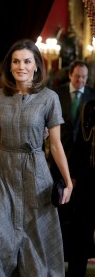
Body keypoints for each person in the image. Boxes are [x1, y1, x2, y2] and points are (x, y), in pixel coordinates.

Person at [0, 39, 73, 276]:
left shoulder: (50, 98)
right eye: (16, 61)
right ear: (9, 66)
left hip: (37, 174)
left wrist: (68, 182)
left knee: (37, 242)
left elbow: (56, 145)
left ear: (37, 65)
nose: (21, 66)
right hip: (5, 174)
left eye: (27, 61)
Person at [50, 60, 95, 265]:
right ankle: (57, 258)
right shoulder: (56, 94)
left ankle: (78, 261)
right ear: (70, 75)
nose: (80, 80)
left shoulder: (92, 96)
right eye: (77, 76)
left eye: (84, 78)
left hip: (85, 166)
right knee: (58, 213)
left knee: (81, 218)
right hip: (60, 160)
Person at [66, 99, 95, 277]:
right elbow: (78, 142)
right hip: (87, 179)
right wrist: (73, 176)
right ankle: (76, 271)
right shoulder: (89, 107)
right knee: (81, 229)